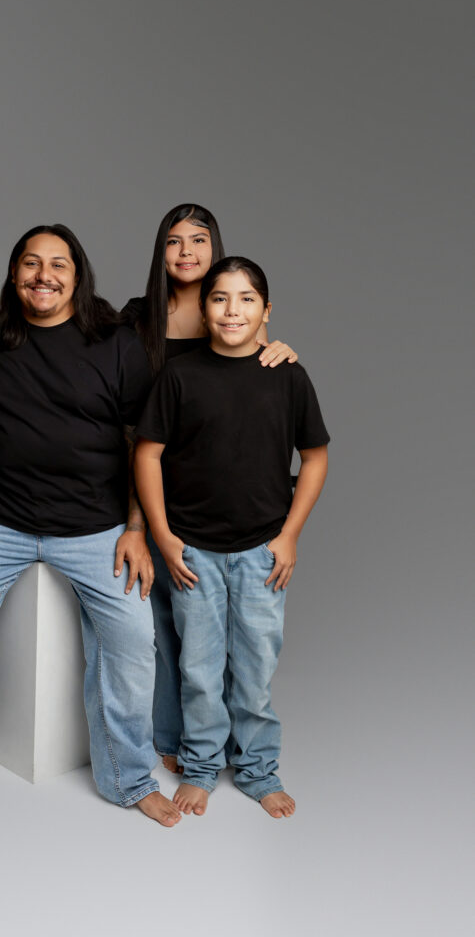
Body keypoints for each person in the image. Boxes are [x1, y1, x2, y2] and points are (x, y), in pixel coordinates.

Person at [0, 223, 182, 826]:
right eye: (30, 262)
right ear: (13, 272)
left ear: (78, 275)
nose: (42, 275)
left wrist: (135, 527)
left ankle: (129, 778)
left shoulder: (115, 342)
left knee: (131, 641)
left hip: (97, 527)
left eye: (58, 265)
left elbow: (141, 440)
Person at [134, 257, 329, 818]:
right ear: (203, 308)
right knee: (198, 669)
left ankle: (258, 769)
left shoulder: (287, 375)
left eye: (246, 300)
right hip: (192, 550)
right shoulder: (180, 376)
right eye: (219, 298)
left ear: (266, 311)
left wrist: (290, 535)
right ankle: (199, 767)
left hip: (262, 551)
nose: (232, 310)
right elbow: (147, 454)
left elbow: (314, 458)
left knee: (254, 668)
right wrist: (164, 536)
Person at [121, 203, 297, 773]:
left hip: (231, 502)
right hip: (159, 498)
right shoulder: (139, 317)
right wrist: (141, 523)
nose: (187, 252)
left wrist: (285, 350)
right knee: (175, 636)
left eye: (199, 240)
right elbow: (134, 433)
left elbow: (262, 376)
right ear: (160, 251)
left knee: (240, 643)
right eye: (174, 241)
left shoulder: (231, 308)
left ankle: (241, 756)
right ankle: (183, 746)